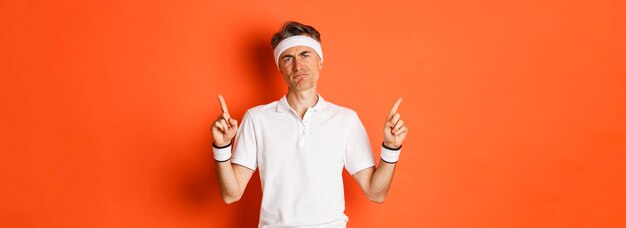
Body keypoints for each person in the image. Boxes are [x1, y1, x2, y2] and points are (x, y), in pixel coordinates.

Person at [211, 21, 408, 228]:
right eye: (288, 58)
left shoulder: (345, 120)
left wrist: (391, 148)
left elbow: (375, 193)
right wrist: (222, 147)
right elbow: (231, 195)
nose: (298, 65)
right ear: (279, 67)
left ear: (320, 62)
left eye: (305, 55)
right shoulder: (256, 119)